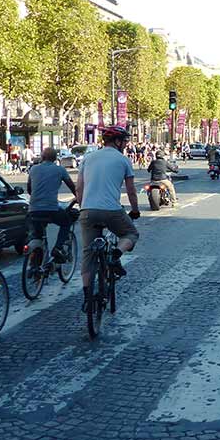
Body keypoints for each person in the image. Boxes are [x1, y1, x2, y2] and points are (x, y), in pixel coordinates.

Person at [77, 126, 141, 310]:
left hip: (88, 211)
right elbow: (131, 190)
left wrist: (83, 208)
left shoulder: (87, 159)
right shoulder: (123, 160)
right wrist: (135, 210)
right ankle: (116, 254)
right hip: (112, 210)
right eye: (124, 140)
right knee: (131, 234)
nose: (126, 143)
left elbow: (79, 189)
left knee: (88, 254)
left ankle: (87, 297)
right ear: (118, 141)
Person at [26, 147, 77, 263]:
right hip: (51, 209)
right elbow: (72, 187)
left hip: (33, 209)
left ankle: (36, 265)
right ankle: (58, 248)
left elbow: (29, 190)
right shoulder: (60, 170)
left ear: (42, 157)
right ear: (55, 159)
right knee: (66, 222)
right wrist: (79, 198)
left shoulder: (33, 169)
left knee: (38, 235)